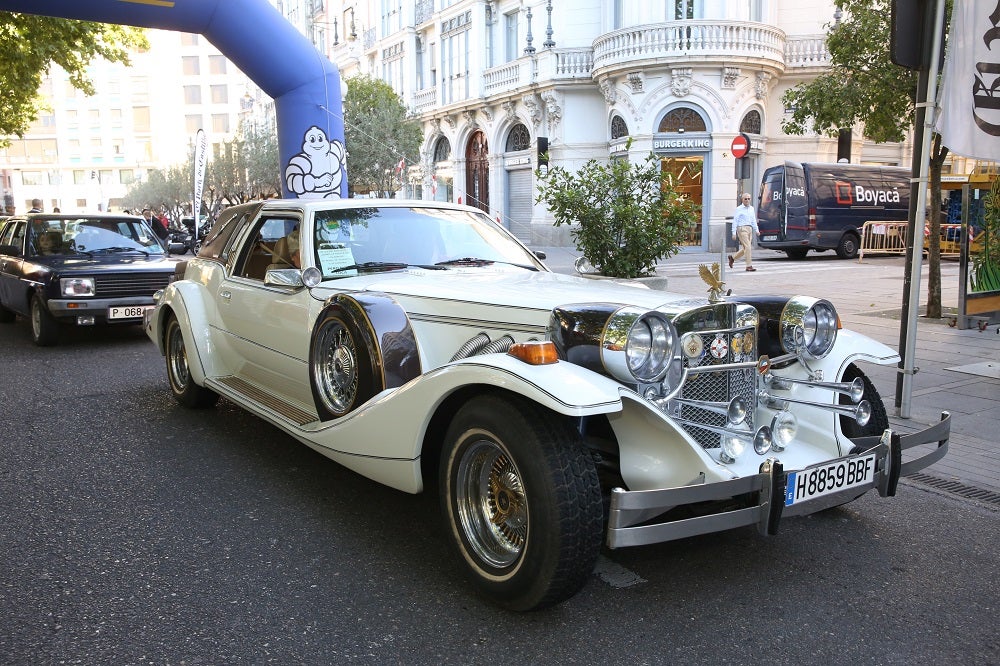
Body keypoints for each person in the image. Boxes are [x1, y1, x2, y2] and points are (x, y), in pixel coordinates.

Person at [728, 192, 760, 272]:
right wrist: (733, 233)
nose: (747, 200)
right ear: (742, 200)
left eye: (749, 199)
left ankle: (732, 257)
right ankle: (749, 266)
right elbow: (735, 221)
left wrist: (757, 230)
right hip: (742, 229)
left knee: (746, 248)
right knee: (748, 247)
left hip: (749, 229)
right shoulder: (739, 209)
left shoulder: (752, 208)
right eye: (745, 199)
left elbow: (753, 220)